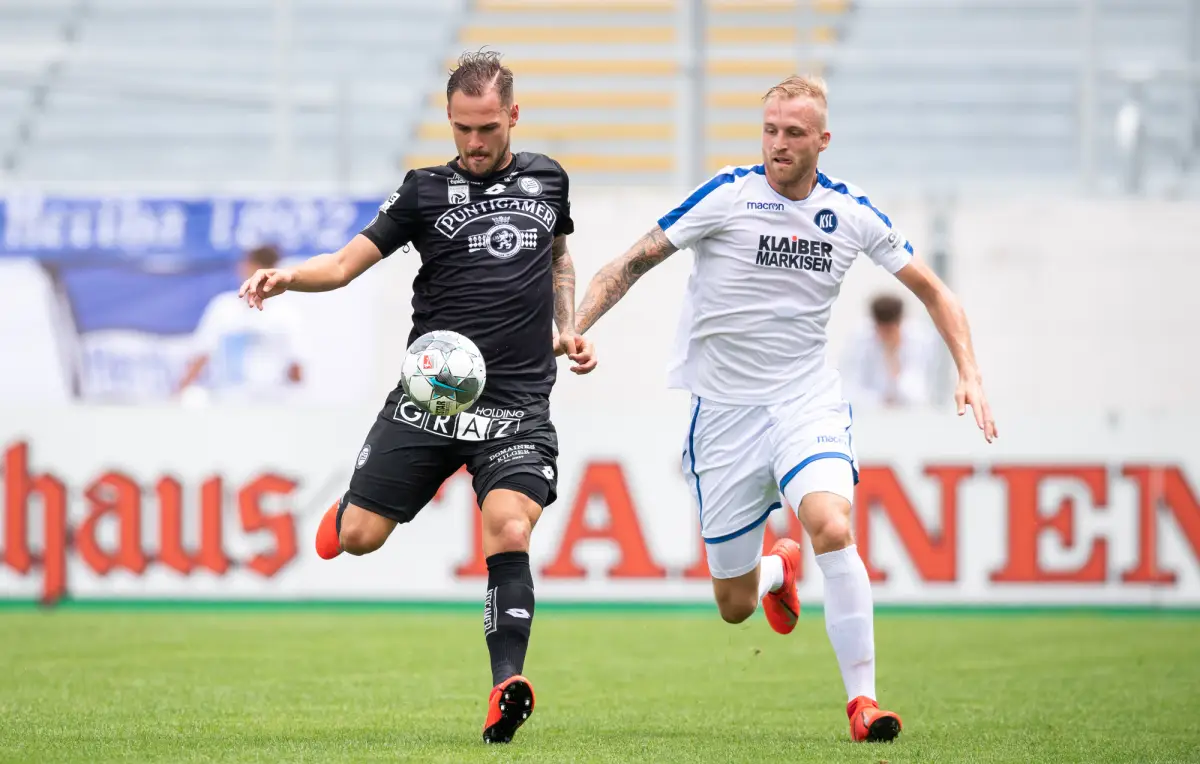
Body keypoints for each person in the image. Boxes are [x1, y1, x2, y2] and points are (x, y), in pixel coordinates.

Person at [570, 74, 996, 743]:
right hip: (724, 416)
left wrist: (968, 370)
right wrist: (575, 327)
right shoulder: (727, 196)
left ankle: (864, 703)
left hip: (805, 401)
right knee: (734, 604)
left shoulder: (850, 213)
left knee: (831, 523)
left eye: (794, 133)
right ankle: (777, 571)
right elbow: (628, 264)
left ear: (823, 140)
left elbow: (936, 292)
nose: (778, 144)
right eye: (770, 130)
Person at [238, 51, 596, 744]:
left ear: (513, 116)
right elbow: (344, 263)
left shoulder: (549, 179)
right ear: (449, 120)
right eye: (462, 128)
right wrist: (288, 278)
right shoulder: (424, 191)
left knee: (509, 528)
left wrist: (567, 326)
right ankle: (350, 509)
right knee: (359, 538)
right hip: (432, 399)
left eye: (488, 127)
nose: (475, 142)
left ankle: (505, 686)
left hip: (517, 406)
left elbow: (558, 256)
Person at [178, 244, 305, 404]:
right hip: (226, 401)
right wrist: (180, 391)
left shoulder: (285, 313)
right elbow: (201, 355)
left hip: (270, 404)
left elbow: (296, 366)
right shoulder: (223, 307)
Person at [839, 293, 941, 407]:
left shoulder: (920, 339)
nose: (885, 335)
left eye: (890, 330)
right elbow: (850, 389)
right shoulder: (859, 339)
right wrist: (880, 401)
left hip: (909, 412)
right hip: (870, 412)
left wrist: (893, 357)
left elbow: (918, 393)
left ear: (899, 323)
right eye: (882, 330)